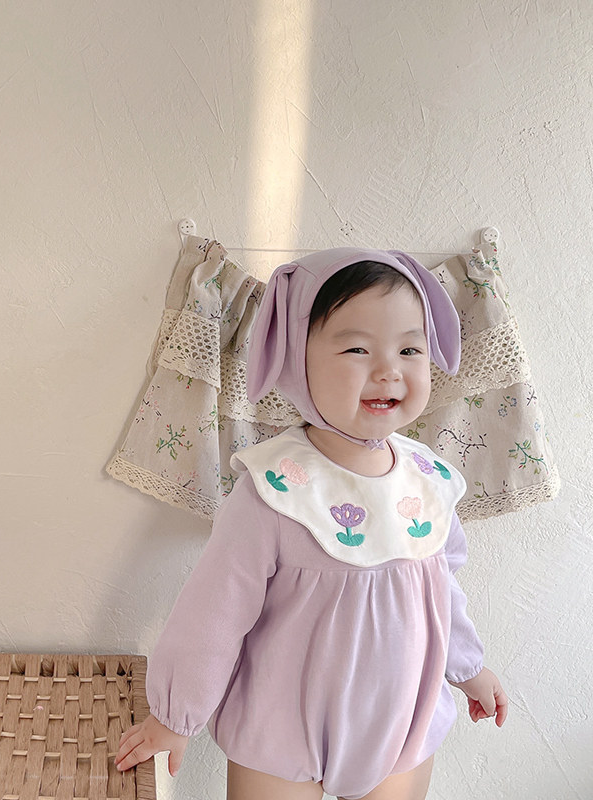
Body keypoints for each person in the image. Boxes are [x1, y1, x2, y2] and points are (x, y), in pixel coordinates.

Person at [115, 248, 508, 800]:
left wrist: (468, 669)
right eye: (357, 348)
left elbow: (441, 592)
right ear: (296, 358)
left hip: (400, 725)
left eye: (409, 348)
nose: (389, 370)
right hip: (282, 728)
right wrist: (175, 717)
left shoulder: (430, 480)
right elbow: (214, 612)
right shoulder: (274, 490)